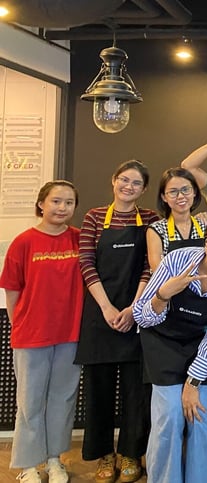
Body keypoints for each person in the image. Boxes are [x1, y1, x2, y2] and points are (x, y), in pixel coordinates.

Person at [132, 211, 207, 483]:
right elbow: (141, 315)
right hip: (162, 341)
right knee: (170, 415)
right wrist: (164, 293)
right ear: (204, 239)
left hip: (203, 346)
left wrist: (193, 383)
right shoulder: (177, 260)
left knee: (199, 414)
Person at [74, 161, 159, 483]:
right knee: (99, 393)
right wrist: (109, 308)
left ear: (144, 189)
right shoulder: (95, 217)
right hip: (100, 315)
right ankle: (103, 456)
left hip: (135, 316)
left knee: (136, 393)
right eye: (124, 180)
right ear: (113, 181)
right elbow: (86, 263)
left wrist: (133, 309)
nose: (129, 186)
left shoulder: (150, 219)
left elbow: (150, 268)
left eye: (136, 183)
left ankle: (129, 454)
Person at [0, 181, 82, 483]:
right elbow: (12, 289)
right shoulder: (24, 242)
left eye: (69, 202)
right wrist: (20, 324)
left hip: (70, 334)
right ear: (41, 204)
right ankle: (28, 465)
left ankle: (54, 460)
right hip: (31, 336)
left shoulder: (79, 239)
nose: (62, 208)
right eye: (56, 201)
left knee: (62, 399)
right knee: (30, 401)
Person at [146, 167, 207, 271]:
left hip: (204, 285)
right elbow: (158, 270)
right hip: (169, 286)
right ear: (164, 197)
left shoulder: (205, 226)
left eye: (186, 190)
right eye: (173, 192)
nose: (180, 196)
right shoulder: (156, 230)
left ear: (194, 192)